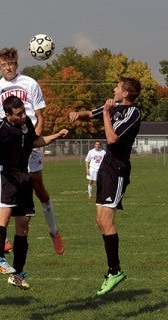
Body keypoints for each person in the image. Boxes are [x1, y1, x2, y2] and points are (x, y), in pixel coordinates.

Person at [0, 95, 68, 289]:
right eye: (18, 114)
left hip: (24, 177)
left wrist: (56, 135)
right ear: (7, 114)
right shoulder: (0, 127)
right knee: (3, 218)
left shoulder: (26, 122)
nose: (23, 117)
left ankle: (18, 274)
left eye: (23, 112)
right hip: (7, 177)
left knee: (23, 226)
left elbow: (35, 142)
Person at [0, 47, 65, 258]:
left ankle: (54, 231)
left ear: (16, 64)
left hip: (28, 143)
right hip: (7, 147)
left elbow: (40, 117)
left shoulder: (30, 83)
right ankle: (4, 243)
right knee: (2, 194)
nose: (8, 68)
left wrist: (31, 141)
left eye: (11, 64)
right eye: (4, 65)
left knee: (39, 189)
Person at [69, 77, 141, 295]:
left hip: (118, 170)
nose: (114, 89)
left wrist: (108, 113)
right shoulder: (114, 106)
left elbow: (111, 139)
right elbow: (90, 114)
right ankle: (113, 270)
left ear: (126, 93)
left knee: (107, 221)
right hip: (106, 168)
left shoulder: (132, 113)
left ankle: (114, 271)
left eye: (118, 87)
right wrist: (76, 115)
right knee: (100, 221)